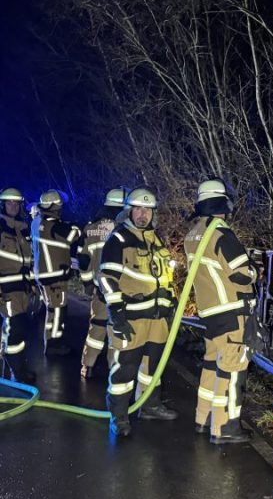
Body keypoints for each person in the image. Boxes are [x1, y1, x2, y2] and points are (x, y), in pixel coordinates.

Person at [98, 186, 178, 437]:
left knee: (152, 367)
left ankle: (150, 405)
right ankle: (119, 417)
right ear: (129, 211)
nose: (142, 214)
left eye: (147, 210)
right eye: (138, 209)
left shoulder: (156, 239)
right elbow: (106, 279)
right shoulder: (119, 239)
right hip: (130, 319)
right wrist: (117, 314)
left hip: (157, 318)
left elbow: (165, 276)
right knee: (125, 369)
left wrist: (171, 304)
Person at [183, 178, 257, 444]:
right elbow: (241, 274)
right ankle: (225, 427)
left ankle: (203, 418)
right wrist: (255, 269)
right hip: (231, 313)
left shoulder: (193, 234)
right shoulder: (222, 233)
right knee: (232, 369)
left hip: (210, 313)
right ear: (223, 203)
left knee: (212, 366)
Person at [76, 187, 125, 378]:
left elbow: (83, 259)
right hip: (117, 288)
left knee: (96, 326)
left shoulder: (91, 227)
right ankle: (114, 368)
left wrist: (87, 282)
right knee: (116, 331)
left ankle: (87, 366)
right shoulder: (123, 228)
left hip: (98, 289)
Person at [31, 190, 81, 355]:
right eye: (59, 206)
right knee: (58, 311)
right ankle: (55, 344)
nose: (61, 208)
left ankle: (51, 340)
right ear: (54, 207)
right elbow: (74, 235)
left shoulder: (37, 222)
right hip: (54, 276)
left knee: (52, 310)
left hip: (43, 274)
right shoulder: (54, 225)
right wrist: (74, 225)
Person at [0, 187, 36, 383]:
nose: (13, 206)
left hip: (21, 289)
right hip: (6, 289)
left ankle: (17, 368)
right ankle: (16, 373)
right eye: (9, 203)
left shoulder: (23, 227)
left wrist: (31, 285)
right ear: (3, 205)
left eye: (16, 203)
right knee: (14, 330)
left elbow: (27, 260)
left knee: (20, 330)